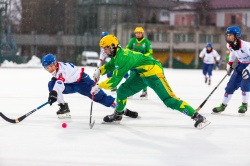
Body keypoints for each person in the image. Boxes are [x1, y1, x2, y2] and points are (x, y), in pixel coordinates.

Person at [91, 34, 210, 129]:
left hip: (154, 73)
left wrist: (99, 86)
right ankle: (118, 115)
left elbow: (113, 82)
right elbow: (111, 65)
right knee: (122, 91)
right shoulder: (117, 55)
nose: (104, 51)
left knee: (169, 101)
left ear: (112, 46)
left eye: (106, 48)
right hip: (141, 74)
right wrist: (100, 71)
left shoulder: (123, 58)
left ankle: (197, 116)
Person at [42, 53, 138, 119]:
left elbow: (60, 83)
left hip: (84, 82)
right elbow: (58, 82)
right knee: (51, 84)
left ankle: (122, 109)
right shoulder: (57, 70)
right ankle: (63, 107)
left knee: (100, 97)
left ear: (55, 63)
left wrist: (54, 93)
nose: (49, 69)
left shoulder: (62, 70)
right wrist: (54, 93)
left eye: (50, 66)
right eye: (47, 68)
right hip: (72, 84)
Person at [213, 26, 250, 115]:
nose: (228, 37)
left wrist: (248, 69)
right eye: (227, 35)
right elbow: (232, 54)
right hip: (240, 65)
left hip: (248, 65)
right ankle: (223, 105)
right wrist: (229, 64)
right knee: (230, 85)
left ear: (237, 36)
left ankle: (244, 105)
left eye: (230, 35)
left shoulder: (245, 46)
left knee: (245, 85)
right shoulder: (229, 45)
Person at [126, 27, 153, 98]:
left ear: (142, 33)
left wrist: (143, 56)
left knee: (143, 75)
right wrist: (130, 54)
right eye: (137, 33)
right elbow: (128, 48)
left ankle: (144, 91)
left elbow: (149, 52)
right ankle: (130, 91)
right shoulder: (132, 40)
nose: (138, 34)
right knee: (132, 75)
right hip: (134, 61)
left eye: (139, 33)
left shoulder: (146, 41)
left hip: (142, 61)